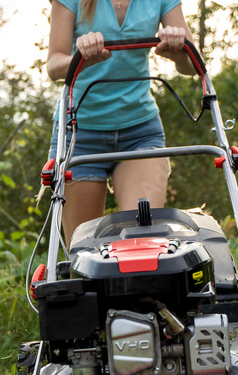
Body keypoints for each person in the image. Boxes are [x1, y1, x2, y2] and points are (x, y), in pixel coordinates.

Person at [46, 0, 196, 247]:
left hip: (139, 132)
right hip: (79, 135)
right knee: (83, 248)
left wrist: (179, 51)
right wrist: (82, 58)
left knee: (144, 238)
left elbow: (192, 65)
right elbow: (53, 66)